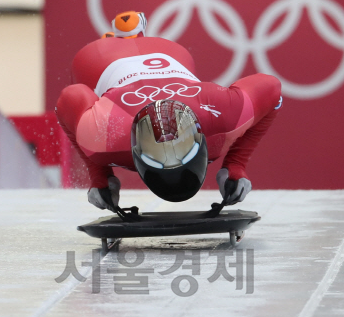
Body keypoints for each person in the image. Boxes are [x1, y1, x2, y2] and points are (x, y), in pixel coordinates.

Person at [56, 11, 282, 211]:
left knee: (89, 123)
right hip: (134, 58)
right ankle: (126, 37)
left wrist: (236, 165)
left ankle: (125, 36)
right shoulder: (105, 133)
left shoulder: (103, 134)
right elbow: (271, 88)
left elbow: (70, 98)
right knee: (89, 112)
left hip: (149, 55)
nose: (170, 160)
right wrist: (234, 165)